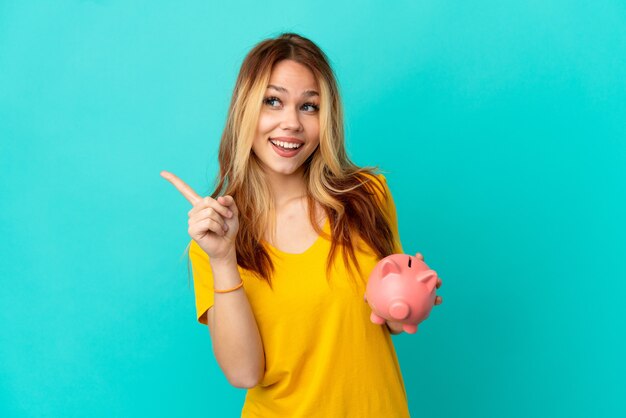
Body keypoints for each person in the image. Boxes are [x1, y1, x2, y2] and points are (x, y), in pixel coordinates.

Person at [161, 32, 443, 418]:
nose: (291, 123)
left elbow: (386, 320)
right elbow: (244, 373)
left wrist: (407, 306)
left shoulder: (367, 197)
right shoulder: (214, 240)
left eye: (309, 107)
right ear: (245, 111)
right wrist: (224, 258)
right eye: (272, 102)